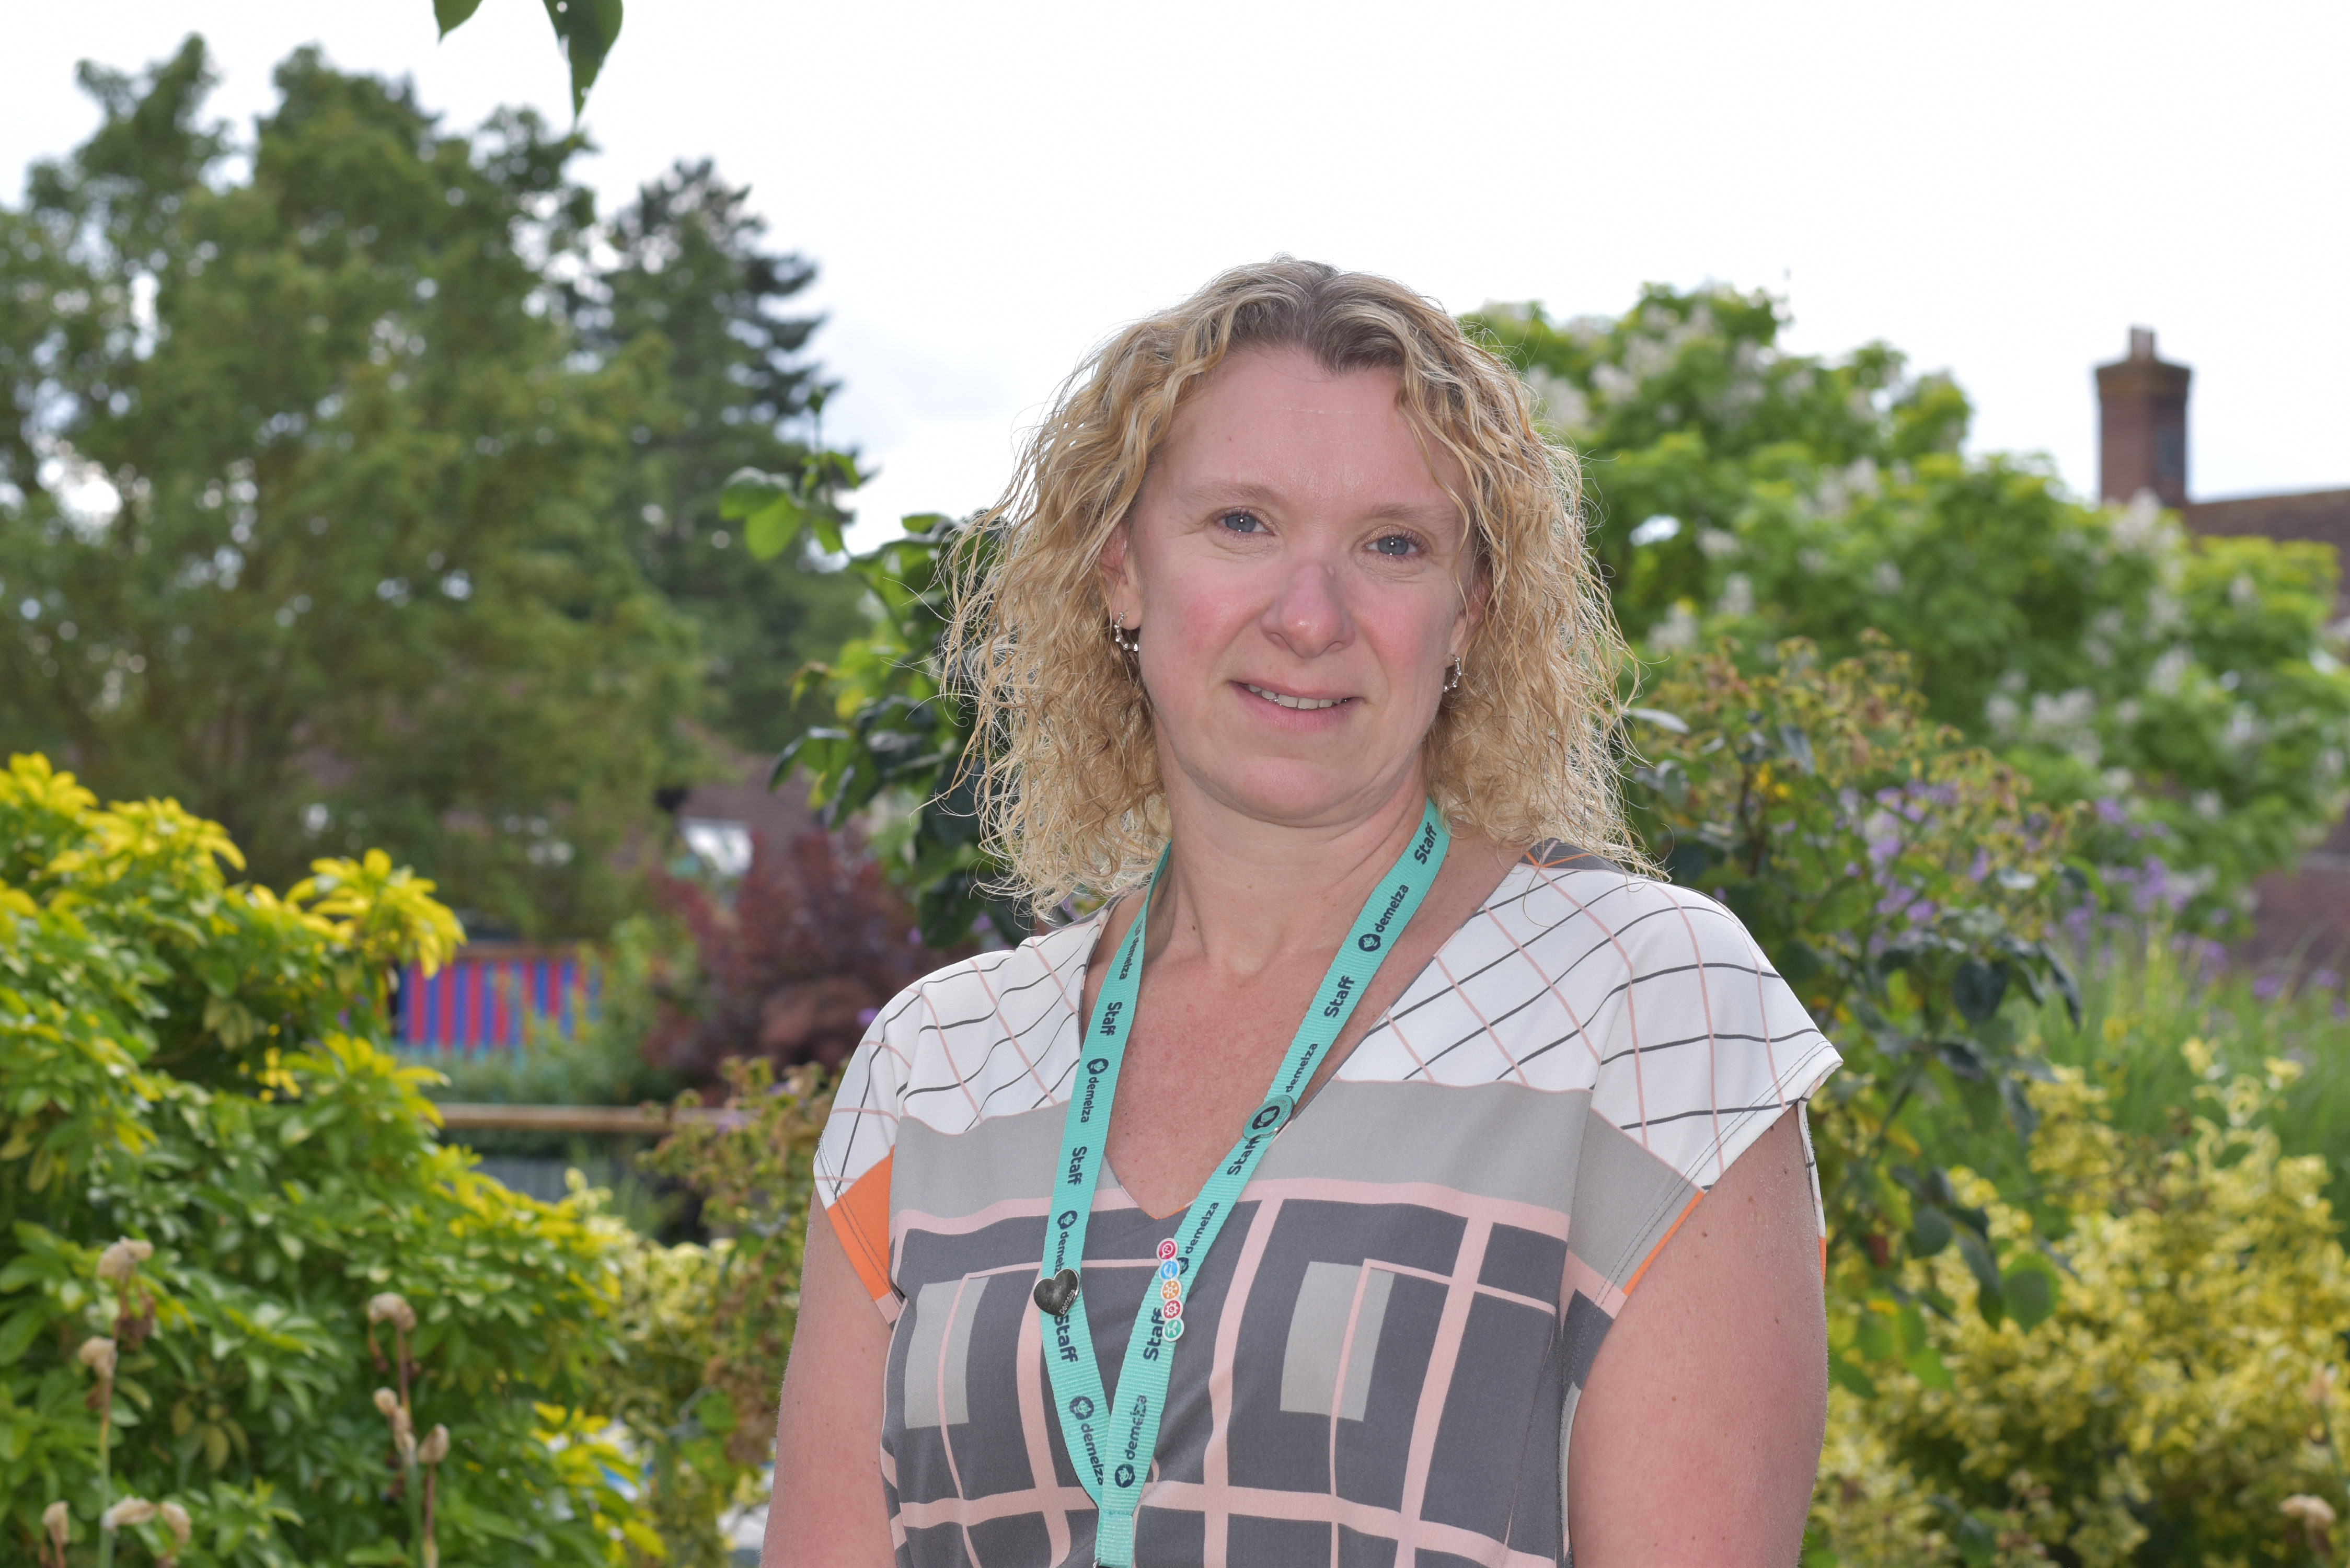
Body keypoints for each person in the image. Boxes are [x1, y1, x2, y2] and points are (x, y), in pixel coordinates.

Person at [764, 259, 1838, 1568]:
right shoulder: (931, 1071)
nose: (1310, 616)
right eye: (1241, 524)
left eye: (1393, 545)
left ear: (1469, 615)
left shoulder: (1646, 1013)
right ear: (1118, 573)